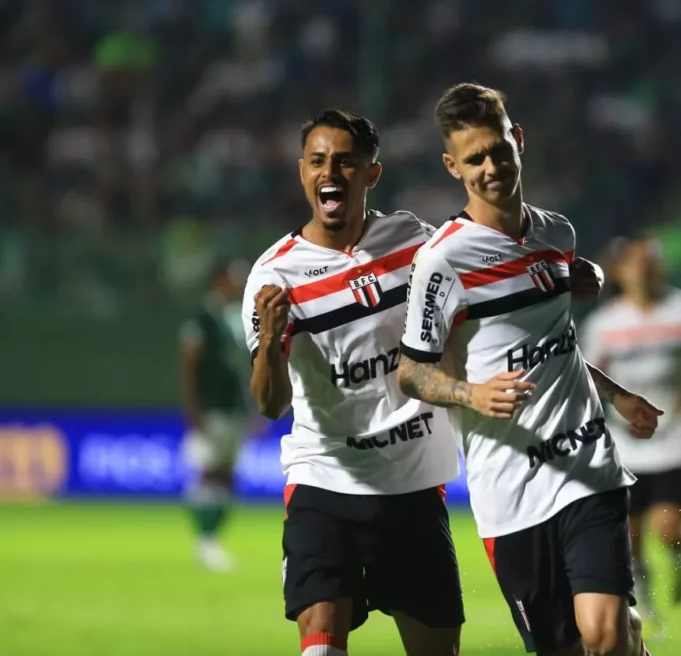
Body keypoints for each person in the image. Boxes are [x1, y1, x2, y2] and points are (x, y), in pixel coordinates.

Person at [244, 108, 605, 656]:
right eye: (317, 161)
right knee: (320, 642)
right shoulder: (274, 276)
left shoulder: (415, 241)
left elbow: (487, 264)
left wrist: (572, 272)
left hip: (414, 488)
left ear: (372, 173)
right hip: (327, 481)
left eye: (345, 162)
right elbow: (271, 405)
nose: (330, 172)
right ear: (302, 172)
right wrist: (271, 340)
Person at [397, 82, 660, 656]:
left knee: (604, 635)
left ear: (518, 139)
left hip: (586, 462)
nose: (491, 167)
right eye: (474, 159)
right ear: (452, 166)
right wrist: (470, 394)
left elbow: (556, 344)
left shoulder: (556, 234)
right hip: (509, 486)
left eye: (498, 150)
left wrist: (615, 395)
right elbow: (411, 372)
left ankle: (621, 632)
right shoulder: (441, 261)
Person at [580, 233, 681, 621]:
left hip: (675, 438)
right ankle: (646, 606)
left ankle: (678, 557)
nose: (643, 271)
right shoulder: (604, 325)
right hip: (624, 442)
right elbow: (587, 376)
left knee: (667, 528)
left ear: (662, 268)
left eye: (650, 263)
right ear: (621, 272)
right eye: (635, 264)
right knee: (629, 538)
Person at [180, 257, 255, 572]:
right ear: (219, 280)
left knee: (227, 476)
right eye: (234, 279)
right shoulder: (202, 317)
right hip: (211, 408)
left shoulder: (236, 318)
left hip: (233, 408)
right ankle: (205, 541)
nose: (239, 285)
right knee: (209, 472)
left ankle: (214, 539)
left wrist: (251, 409)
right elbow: (189, 364)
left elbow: (241, 370)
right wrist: (193, 408)